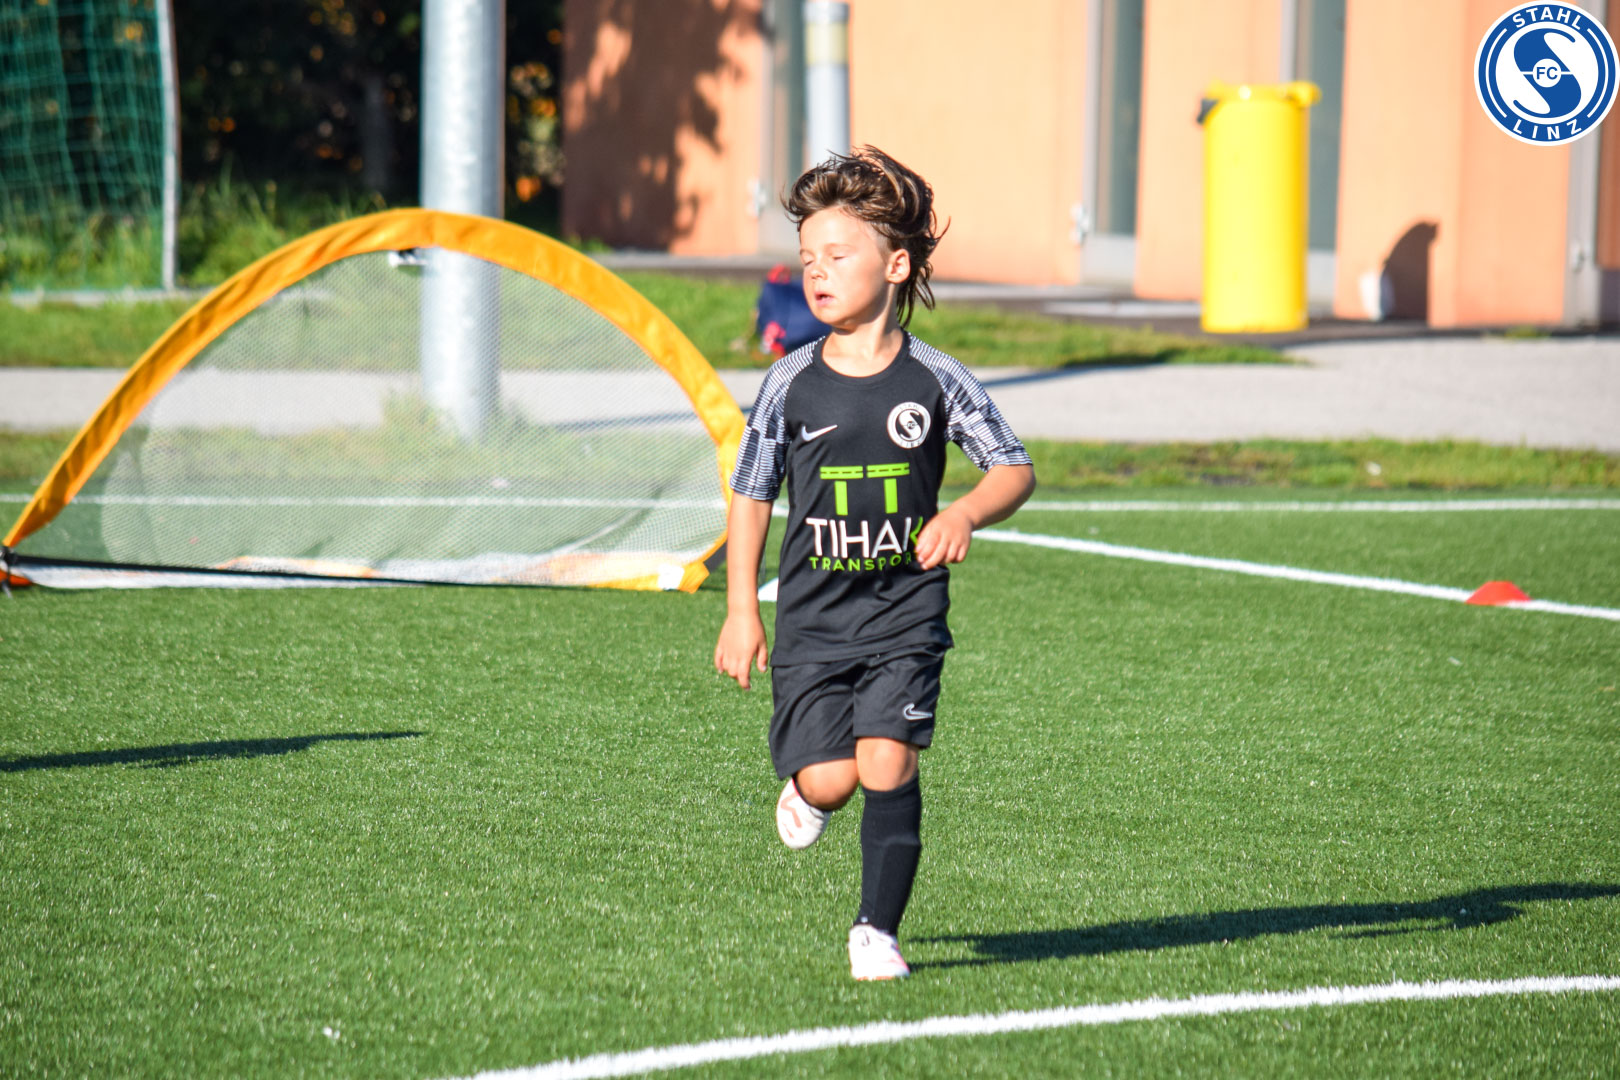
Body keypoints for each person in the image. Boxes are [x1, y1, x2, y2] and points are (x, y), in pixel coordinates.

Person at [714, 146, 1035, 981]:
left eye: (836, 255)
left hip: (905, 615)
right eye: (807, 259)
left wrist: (963, 511)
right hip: (813, 621)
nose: (816, 273)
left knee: (888, 758)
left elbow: (1013, 468)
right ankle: (805, 792)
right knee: (831, 780)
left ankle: (875, 932)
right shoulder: (789, 381)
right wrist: (743, 610)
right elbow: (751, 493)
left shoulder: (936, 377)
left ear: (895, 266)